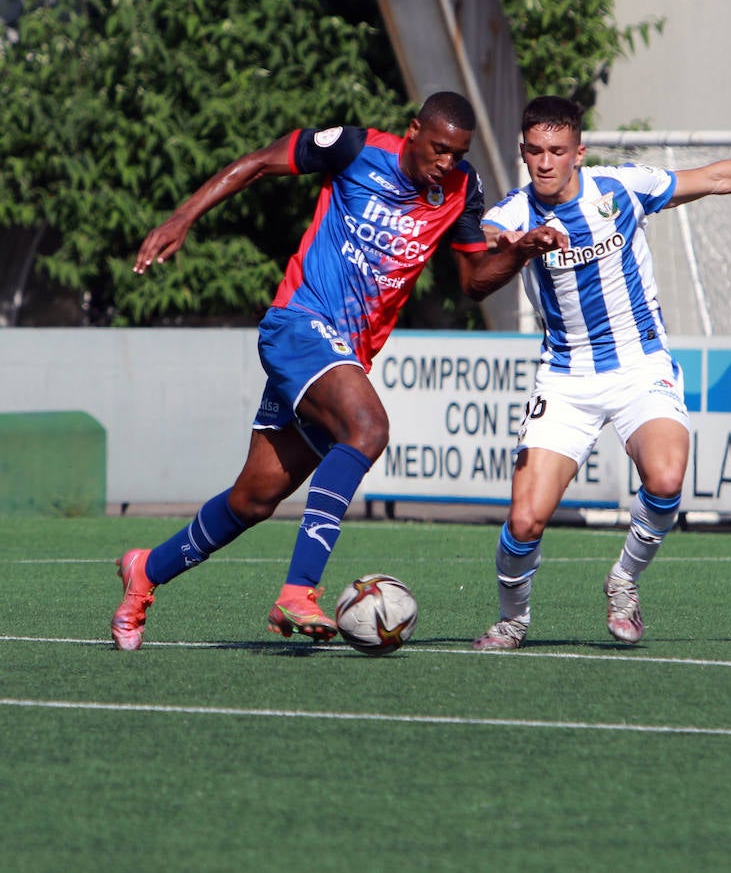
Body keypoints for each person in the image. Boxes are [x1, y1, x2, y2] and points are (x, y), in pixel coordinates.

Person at [111, 92, 566, 650]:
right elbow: (257, 162)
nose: (447, 162)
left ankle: (145, 572)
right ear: (414, 130)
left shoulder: (462, 190)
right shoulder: (353, 148)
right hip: (298, 326)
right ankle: (298, 593)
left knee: (254, 499)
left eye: (459, 153)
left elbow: (473, 281)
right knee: (369, 429)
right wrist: (183, 217)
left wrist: (522, 252)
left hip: (338, 357)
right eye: (440, 148)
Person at [471, 95, 731, 650]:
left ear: (578, 153)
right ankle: (513, 621)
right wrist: (519, 249)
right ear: (522, 151)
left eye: (557, 151)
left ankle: (624, 581)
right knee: (524, 523)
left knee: (665, 478)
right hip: (564, 378)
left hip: (639, 364)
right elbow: (479, 274)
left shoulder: (620, 189)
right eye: (534, 151)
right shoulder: (511, 215)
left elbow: (717, 178)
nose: (544, 162)